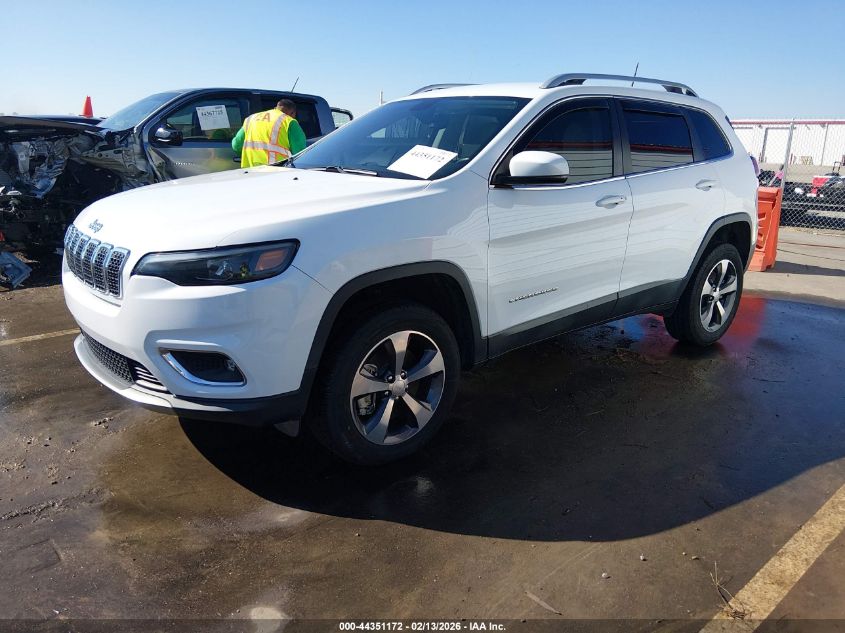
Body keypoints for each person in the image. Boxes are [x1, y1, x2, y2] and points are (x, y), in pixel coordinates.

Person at [232, 99, 306, 168]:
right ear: (293, 112)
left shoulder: (251, 118)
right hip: (276, 173)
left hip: (250, 171)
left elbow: (236, 145)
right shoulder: (289, 122)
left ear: (276, 107)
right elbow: (301, 155)